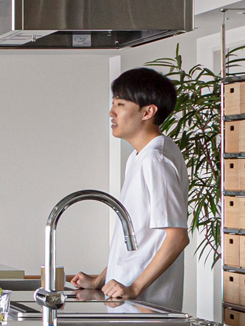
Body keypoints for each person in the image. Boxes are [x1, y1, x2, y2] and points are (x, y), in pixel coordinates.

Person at [71, 66, 190, 312]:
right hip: (126, 299)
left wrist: (135, 287)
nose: (111, 112)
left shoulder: (156, 160)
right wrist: (100, 279)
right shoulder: (139, 157)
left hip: (146, 304)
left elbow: (177, 237)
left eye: (120, 104)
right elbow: (139, 239)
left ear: (148, 112)